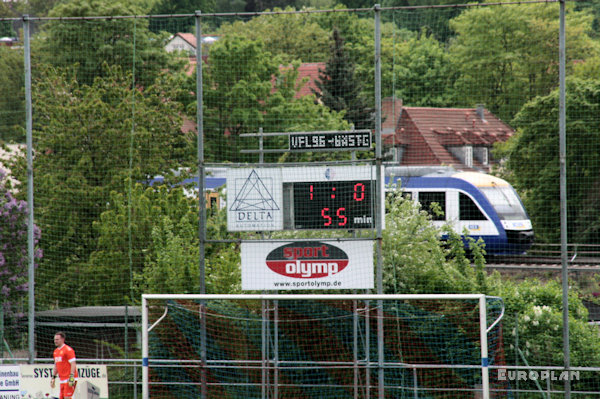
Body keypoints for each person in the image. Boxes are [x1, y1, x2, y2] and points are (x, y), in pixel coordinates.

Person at [50, 331, 78, 399]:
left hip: (69, 378)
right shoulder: (56, 351)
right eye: (54, 339)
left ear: (62, 339)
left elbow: (73, 363)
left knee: (67, 397)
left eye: (57, 339)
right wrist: (53, 377)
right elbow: (56, 365)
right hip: (62, 379)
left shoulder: (68, 350)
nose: (55, 341)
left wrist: (71, 376)